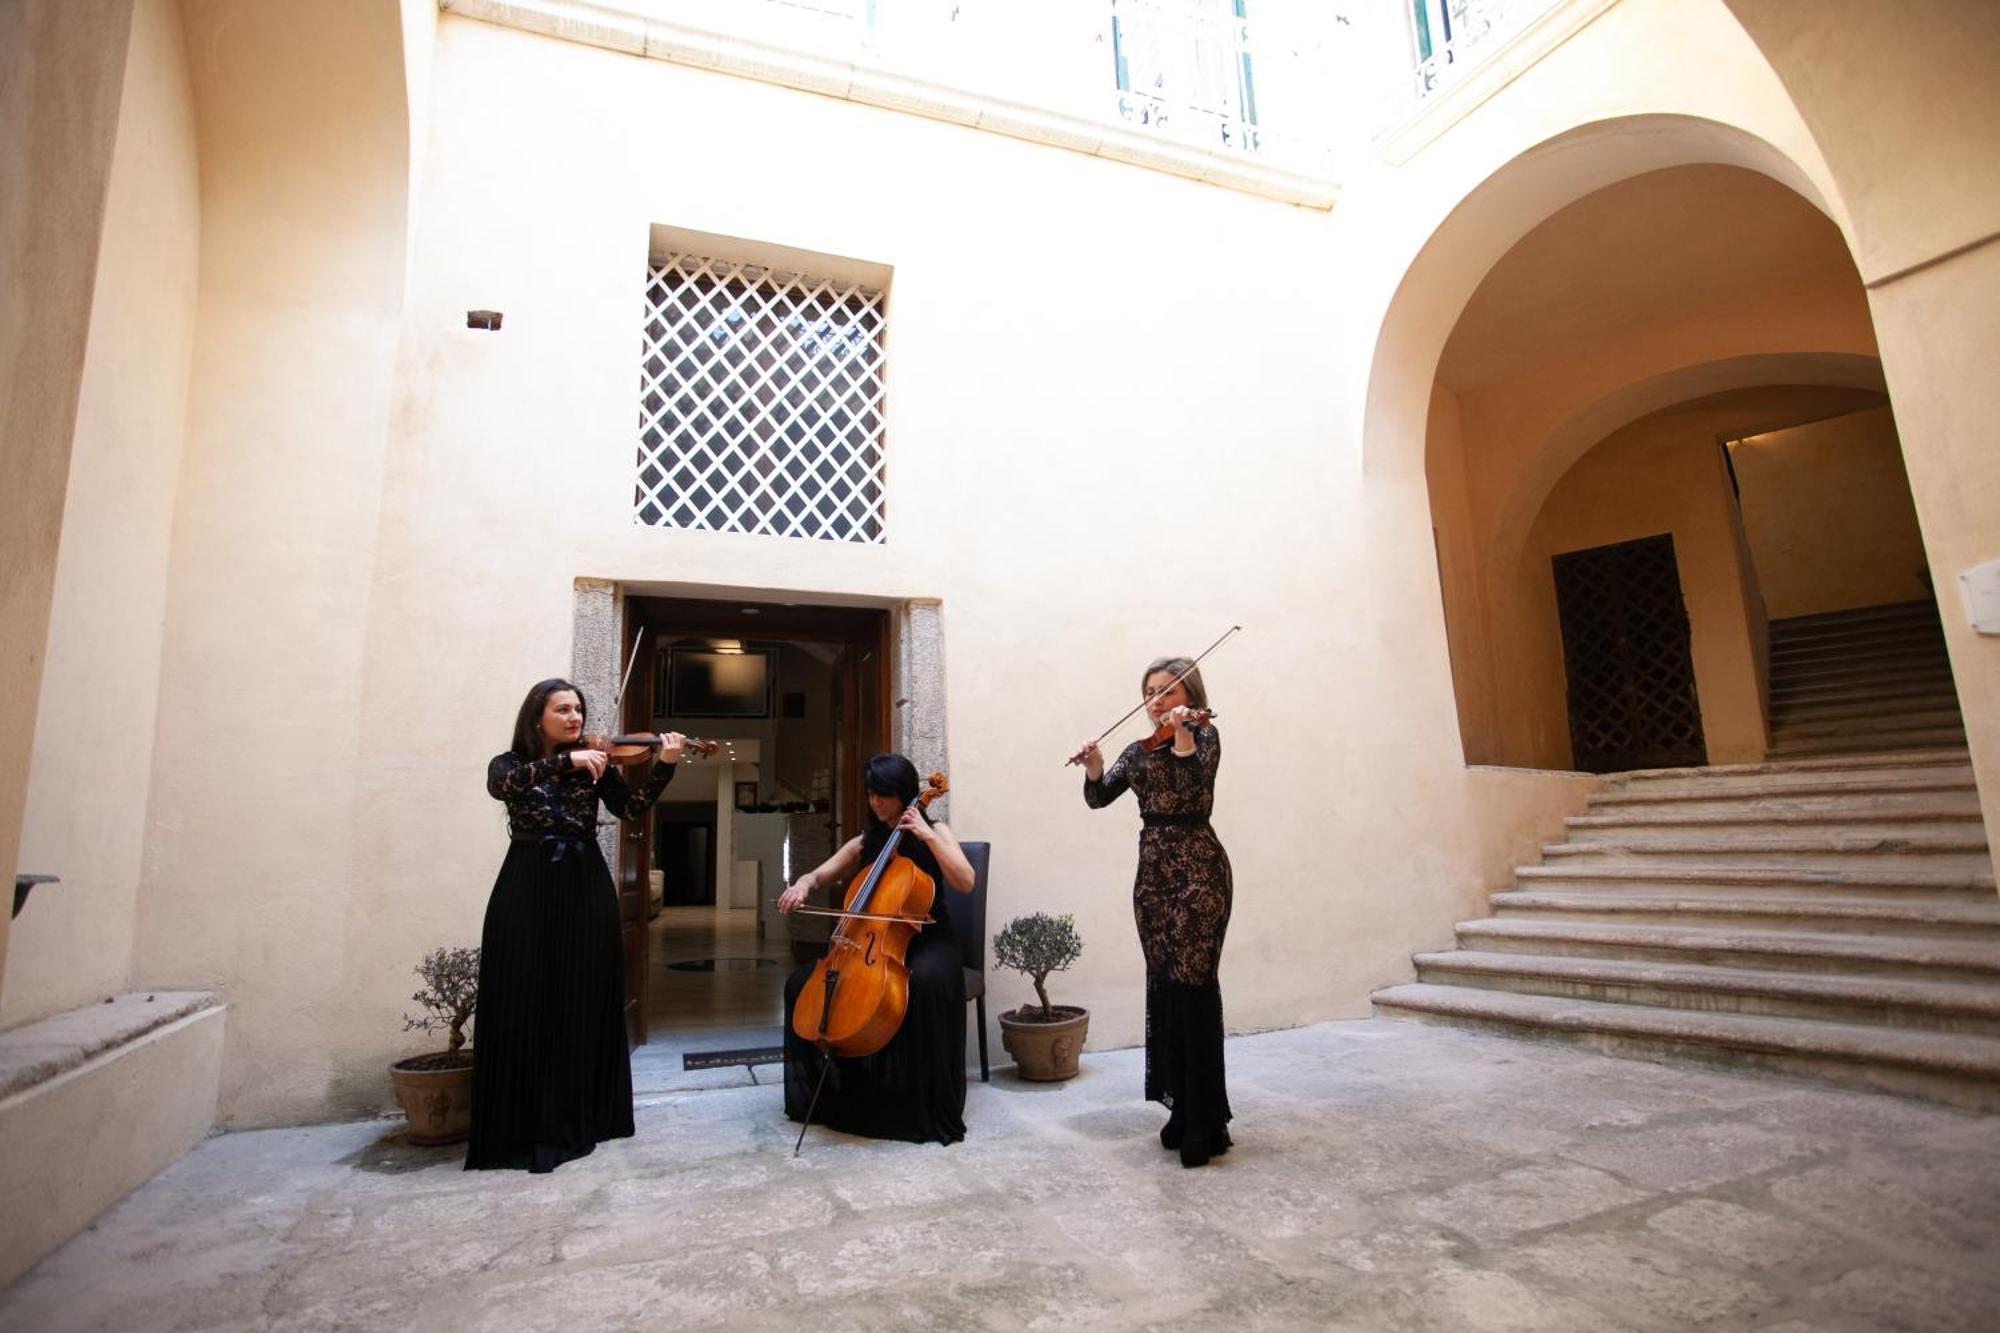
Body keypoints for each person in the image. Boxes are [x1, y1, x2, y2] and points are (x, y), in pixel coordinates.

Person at [466, 678, 684, 1172]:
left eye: (579, 711)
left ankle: (584, 1113)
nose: (575, 719)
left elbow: (630, 809)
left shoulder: (598, 764)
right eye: (563, 710)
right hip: (528, 883)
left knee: (582, 991)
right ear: (536, 717)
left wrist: (664, 768)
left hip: (584, 883)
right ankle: (523, 1122)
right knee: (525, 990)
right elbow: (502, 787)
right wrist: (566, 761)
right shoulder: (511, 764)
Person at [1073, 658, 1234, 1167]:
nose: (1156, 701)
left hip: (1200, 873)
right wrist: (1095, 764)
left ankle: (1207, 1120)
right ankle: (1179, 1107)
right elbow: (1100, 797)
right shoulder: (1139, 750)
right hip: (1154, 881)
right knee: (1166, 986)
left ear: (1189, 694)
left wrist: (1184, 734)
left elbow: (1192, 788)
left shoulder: (1203, 739)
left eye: (1166, 691)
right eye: (1149, 692)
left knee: (1195, 988)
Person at [777, 753, 976, 1145]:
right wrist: (802, 885)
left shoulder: (936, 830)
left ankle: (914, 1102)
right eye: (871, 794)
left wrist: (928, 835)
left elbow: (965, 880)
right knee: (798, 984)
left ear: (904, 794)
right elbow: (819, 874)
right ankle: (839, 1093)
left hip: (929, 940)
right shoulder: (865, 841)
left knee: (922, 985)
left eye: (884, 795)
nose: (875, 803)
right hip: (867, 944)